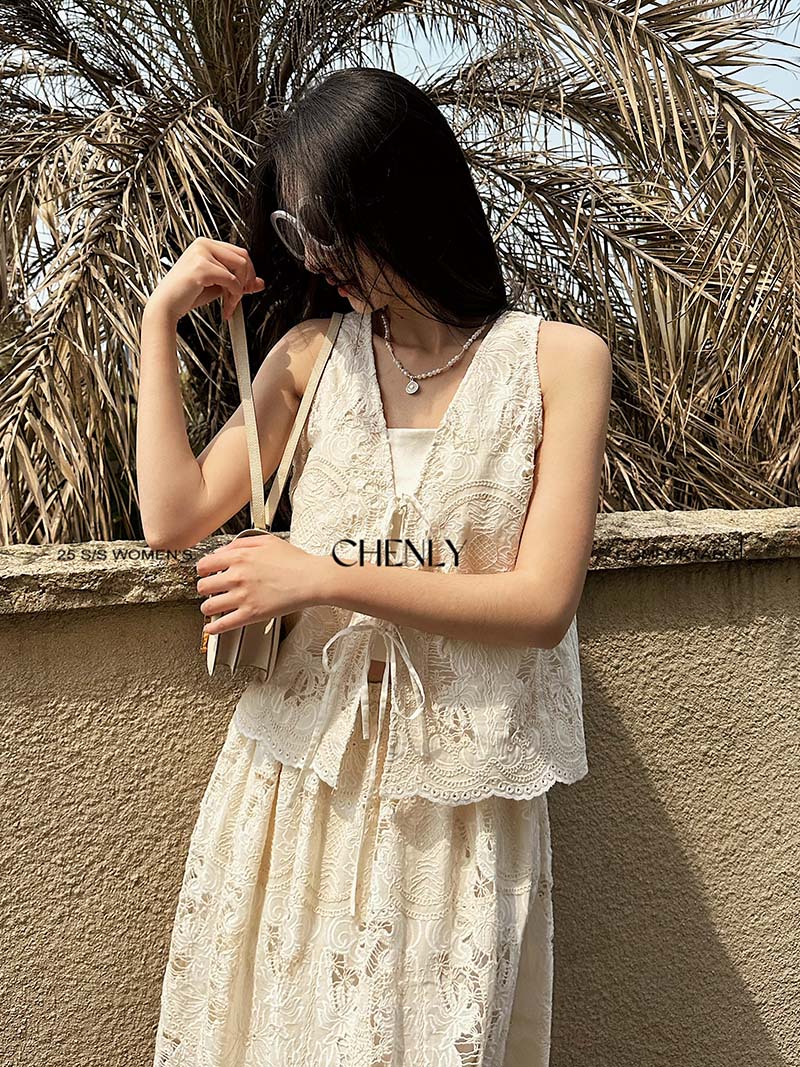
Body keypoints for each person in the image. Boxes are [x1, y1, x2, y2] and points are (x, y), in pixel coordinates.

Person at [138, 66, 611, 1067]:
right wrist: (157, 322)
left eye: (332, 226)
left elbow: (540, 602)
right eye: (298, 230)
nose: (319, 257)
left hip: (459, 807)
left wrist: (320, 575)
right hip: (295, 786)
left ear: (403, 199)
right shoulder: (311, 356)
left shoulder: (559, 360)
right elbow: (173, 515)